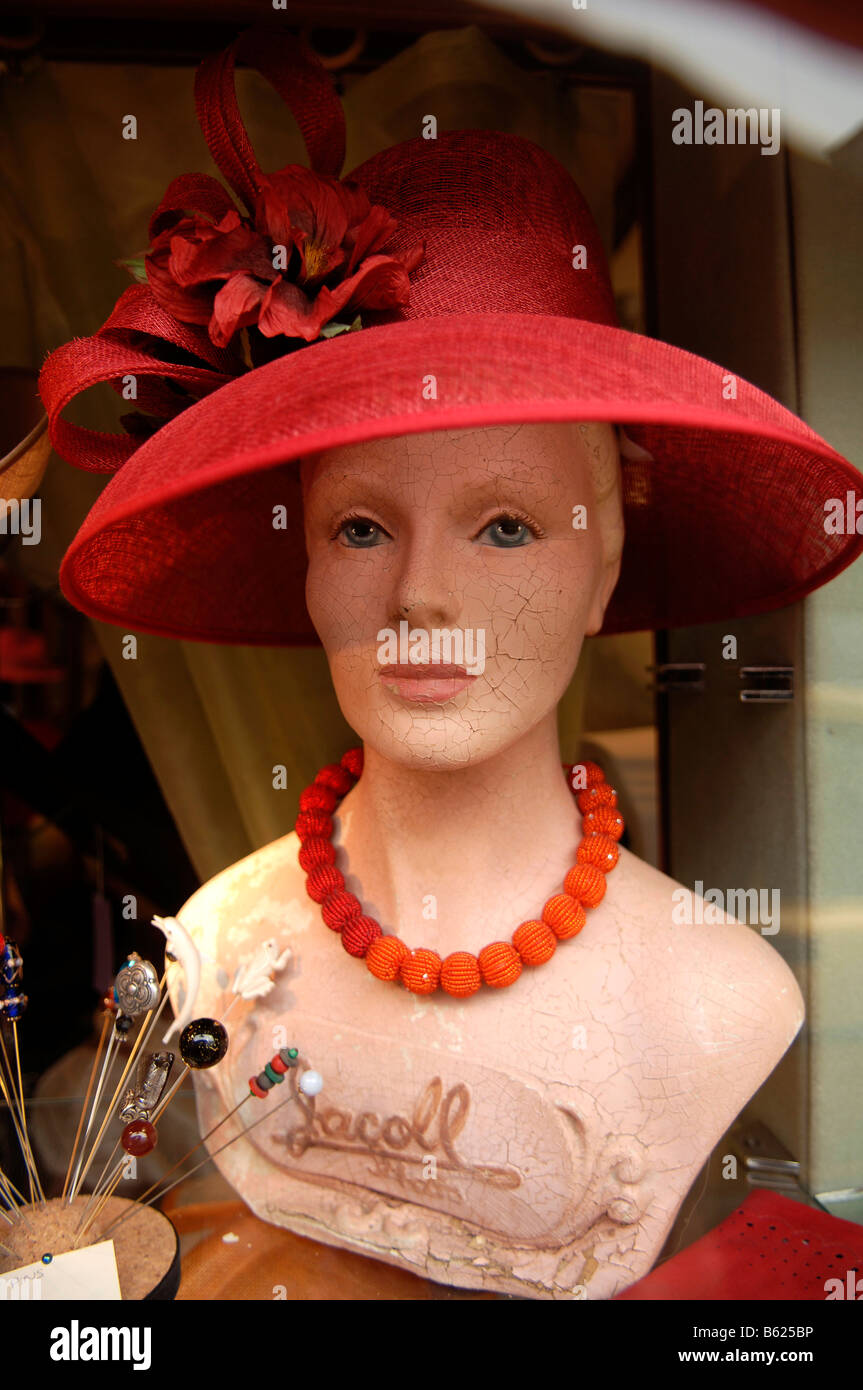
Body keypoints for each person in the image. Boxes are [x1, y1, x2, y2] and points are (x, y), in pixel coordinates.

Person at [38, 29, 862, 1298]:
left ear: (607, 564)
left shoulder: (717, 995)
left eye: (507, 526)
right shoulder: (219, 941)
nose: (420, 593)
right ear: (301, 558)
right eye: (360, 526)